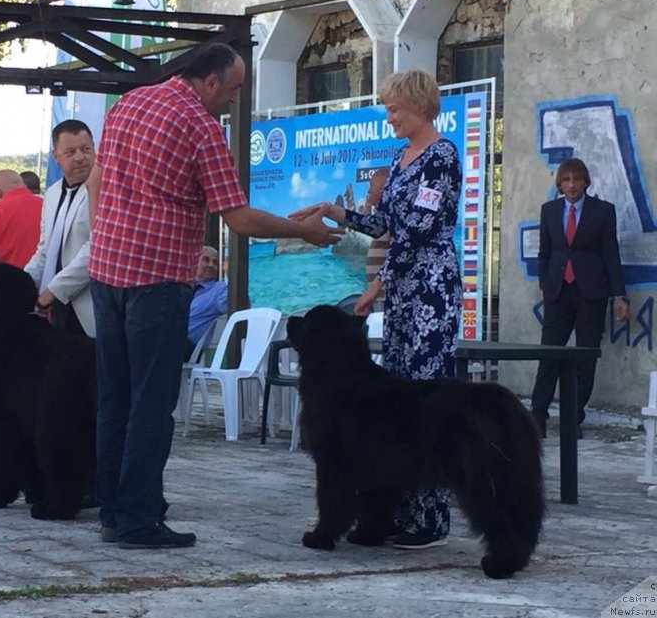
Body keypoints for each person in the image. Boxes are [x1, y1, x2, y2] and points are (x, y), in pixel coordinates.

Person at [87, 42, 340, 549]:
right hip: (157, 279)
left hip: (107, 270)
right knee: (152, 403)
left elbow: (95, 181)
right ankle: (138, 519)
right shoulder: (200, 127)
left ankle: (113, 511)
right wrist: (302, 232)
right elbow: (239, 218)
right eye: (233, 89)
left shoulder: (129, 103)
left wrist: (108, 236)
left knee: (114, 397)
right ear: (209, 82)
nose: (232, 99)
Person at [292, 69, 462, 550]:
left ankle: (430, 519)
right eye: (388, 108)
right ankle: (390, 510)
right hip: (402, 288)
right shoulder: (402, 158)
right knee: (394, 404)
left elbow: (422, 230)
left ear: (420, 106)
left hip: (428, 287)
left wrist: (378, 282)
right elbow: (386, 222)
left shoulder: (441, 157)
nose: (389, 117)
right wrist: (336, 212)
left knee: (426, 399)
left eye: (395, 109)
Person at [530, 158, 630, 439]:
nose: (571, 186)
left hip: (591, 293)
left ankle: (572, 419)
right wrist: (545, 283)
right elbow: (545, 253)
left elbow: (611, 255)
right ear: (560, 183)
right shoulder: (549, 211)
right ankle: (537, 417)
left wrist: (619, 295)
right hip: (558, 292)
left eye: (576, 180)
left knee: (585, 358)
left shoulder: (602, 212)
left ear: (585, 182)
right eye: (566, 180)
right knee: (548, 355)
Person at [25, 119, 96, 338]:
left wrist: (52, 292)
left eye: (86, 149)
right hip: (57, 311)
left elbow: (95, 248)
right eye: (70, 152)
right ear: (56, 157)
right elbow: (45, 249)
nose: (80, 157)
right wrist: (20, 285)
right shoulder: (53, 194)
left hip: (91, 308)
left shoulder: (104, 189)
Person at [185, 246, 228, 361]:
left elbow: (241, 306)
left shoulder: (218, 289)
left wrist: (230, 273)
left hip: (185, 345)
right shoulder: (184, 286)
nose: (211, 265)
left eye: (215, 262)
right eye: (206, 260)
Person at [362, 169, 390, 286]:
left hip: (384, 292)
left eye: (371, 186)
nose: (369, 190)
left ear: (382, 189)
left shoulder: (389, 220)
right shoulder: (381, 220)